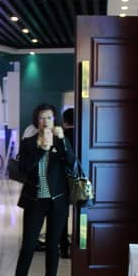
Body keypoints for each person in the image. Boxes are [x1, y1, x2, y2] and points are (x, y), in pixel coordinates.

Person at [3, 104, 75, 276]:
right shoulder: (28, 143)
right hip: (35, 201)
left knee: (53, 246)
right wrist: (41, 149)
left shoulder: (62, 140)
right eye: (42, 118)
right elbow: (23, 169)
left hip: (57, 201)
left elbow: (71, 162)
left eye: (49, 117)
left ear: (55, 120)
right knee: (28, 246)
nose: (46, 121)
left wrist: (62, 140)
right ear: (37, 120)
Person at [59, 107, 75, 259]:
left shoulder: (61, 137)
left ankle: (64, 247)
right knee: (81, 212)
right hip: (80, 181)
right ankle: (81, 245)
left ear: (64, 121)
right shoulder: (83, 134)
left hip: (63, 180)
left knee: (63, 216)